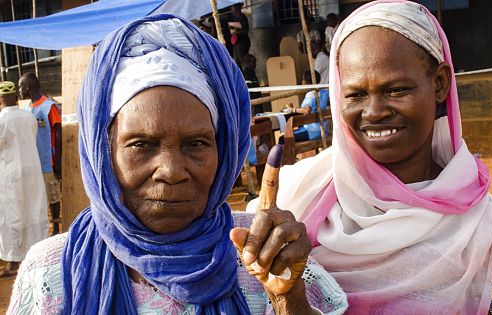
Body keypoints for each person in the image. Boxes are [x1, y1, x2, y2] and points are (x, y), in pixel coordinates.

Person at [7, 15, 347, 315]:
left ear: (223, 152)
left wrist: (289, 300)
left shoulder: (263, 254)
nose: (170, 171)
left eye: (196, 144)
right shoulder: (52, 272)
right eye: (141, 144)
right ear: (103, 152)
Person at [248, 1, 492, 313]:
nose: (374, 112)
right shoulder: (298, 197)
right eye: (355, 95)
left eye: (396, 90)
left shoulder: (481, 228)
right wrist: (288, 296)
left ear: (439, 84)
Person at [0, 81, 48, 278]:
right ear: (16, 97)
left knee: (12, 213)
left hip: (11, 173)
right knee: (33, 210)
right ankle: (35, 255)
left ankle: (13, 262)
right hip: (32, 169)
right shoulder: (28, 116)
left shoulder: (2, 119)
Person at [18, 72, 62, 235]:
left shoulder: (48, 106)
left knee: (53, 195)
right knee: (38, 197)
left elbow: (58, 132)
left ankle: (57, 228)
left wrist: (58, 160)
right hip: (33, 161)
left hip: (47, 161)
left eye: (20, 86)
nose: (19, 90)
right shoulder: (27, 108)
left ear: (28, 87)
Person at [283, 70, 329, 143]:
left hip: (311, 132)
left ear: (307, 82)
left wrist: (292, 109)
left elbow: (307, 110)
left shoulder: (310, 94)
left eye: (303, 79)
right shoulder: (324, 93)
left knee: (283, 139)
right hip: (323, 130)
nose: (302, 82)